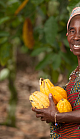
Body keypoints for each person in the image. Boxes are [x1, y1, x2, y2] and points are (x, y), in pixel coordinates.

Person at [32, 7, 80, 138]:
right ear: (67, 35)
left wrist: (56, 116)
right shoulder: (75, 74)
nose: (76, 37)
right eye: (72, 31)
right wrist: (46, 108)